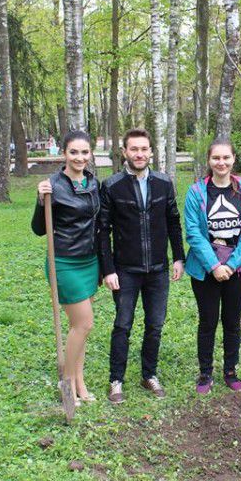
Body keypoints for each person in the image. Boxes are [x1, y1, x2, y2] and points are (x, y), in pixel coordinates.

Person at [98, 128, 185, 404]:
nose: (139, 154)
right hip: (125, 270)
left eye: (144, 149)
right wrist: (108, 269)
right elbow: (103, 230)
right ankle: (116, 380)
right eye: (134, 149)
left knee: (155, 325)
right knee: (123, 324)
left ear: (151, 152)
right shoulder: (112, 186)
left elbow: (173, 221)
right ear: (124, 152)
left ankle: (149, 374)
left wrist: (178, 257)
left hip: (158, 269)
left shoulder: (163, 183)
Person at [184, 138, 241, 394]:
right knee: (208, 321)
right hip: (205, 269)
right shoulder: (196, 192)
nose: (221, 162)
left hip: (239, 269)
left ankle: (230, 371)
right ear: (209, 160)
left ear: (233, 159)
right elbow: (193, 232)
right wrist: (214, 265)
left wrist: (232, 264)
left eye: (226, 157)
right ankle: (205, 373)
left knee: (232, 321)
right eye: (216, 158)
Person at [31, 130, 101, 404]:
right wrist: (40, 201)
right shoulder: (52, 185)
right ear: (64, 153)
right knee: (84, 324)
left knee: (78, 328)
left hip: (89, 261)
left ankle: (80, 381)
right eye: (73, 152)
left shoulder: (93, 183)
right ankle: (68, 383)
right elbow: (39, 229)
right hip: (64, 262)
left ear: (90, 154)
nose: (79, 158)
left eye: (84, 152)